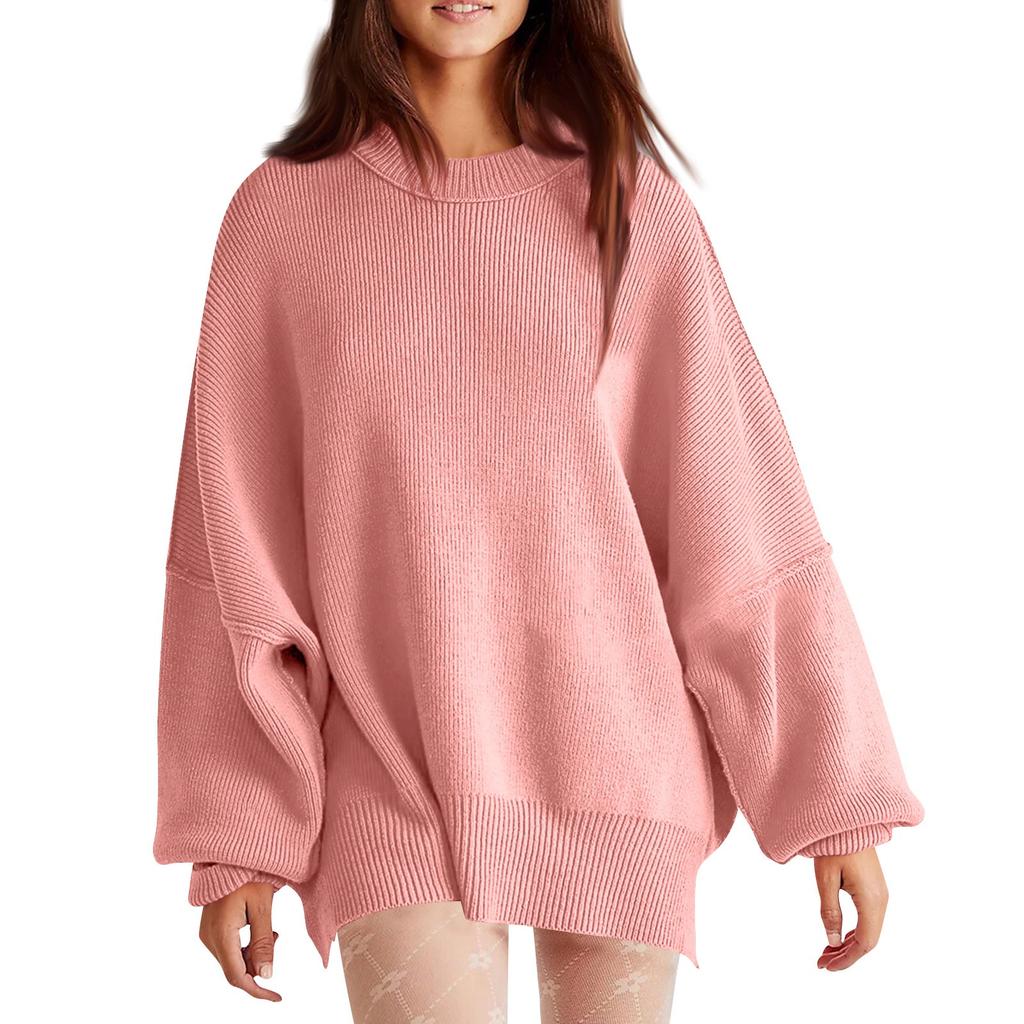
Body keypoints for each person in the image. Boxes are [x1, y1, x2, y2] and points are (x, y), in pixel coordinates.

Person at [152, 1, 925, 1018]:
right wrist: (237, 831)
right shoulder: (282, 218)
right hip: (388, 772)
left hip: (618, 764)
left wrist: (831, 798)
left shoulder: (631, 208)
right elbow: (234, 547)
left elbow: (736, 515)